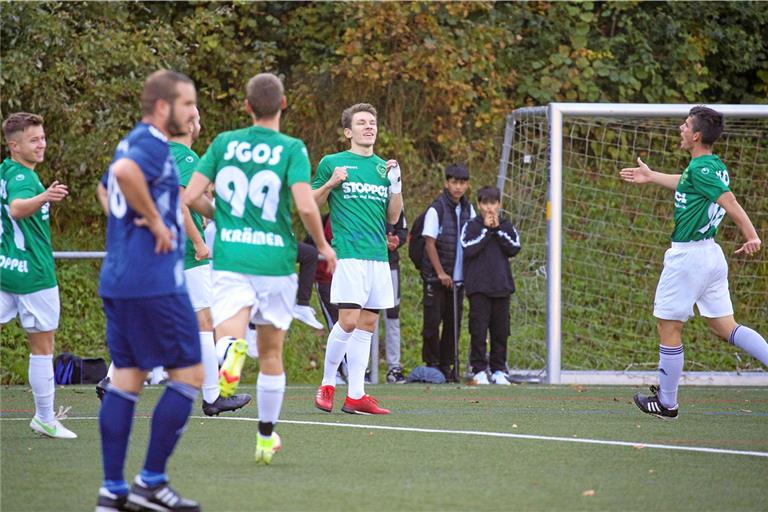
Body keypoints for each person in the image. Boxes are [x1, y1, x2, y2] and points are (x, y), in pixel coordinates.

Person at [184, 72, 336, 463]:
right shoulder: (292, 148)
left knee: (230, 332)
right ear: (283, 104)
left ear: (247, 106)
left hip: (233, 257)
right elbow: (304, 205)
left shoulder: (223, 143)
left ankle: (231, 353)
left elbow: (190, 196)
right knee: (271, 354)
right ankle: (265, 437)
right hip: (276, 261)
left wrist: (222, 216)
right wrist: (321, 246)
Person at [96, 70, 202, 512]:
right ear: (164, 107)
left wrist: (131, 223)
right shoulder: (152, 144)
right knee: (191, 374)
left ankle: (113, 491)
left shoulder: (130, 139)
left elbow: (104, 189)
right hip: (153, 282)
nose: (193, 113)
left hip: (120, 278)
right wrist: (156, 223)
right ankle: (151, 482)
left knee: (127, 376)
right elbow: (121, 174)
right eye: (188, 104)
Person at [620, 105, 766, 420]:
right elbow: (688, 182)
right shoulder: (709, 165)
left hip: (689, 258)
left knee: (668, 326)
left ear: (697, 135)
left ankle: (667, 402)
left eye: (686, 125)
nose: (681, 129)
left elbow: (729, 201)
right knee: (726, 326)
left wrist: (752, 235)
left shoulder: (701, 170)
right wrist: (652, 176)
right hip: (710, 255)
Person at [312, 102, 404, 414]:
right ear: (349, 131)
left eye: (372, 122)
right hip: (349, 253)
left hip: (378, 255)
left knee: (367, 323)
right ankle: (327, 383)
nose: (369, 127)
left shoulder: (383, 168)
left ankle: (356, 395)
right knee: (348, 321)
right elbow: (310, 202)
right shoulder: (333, 162)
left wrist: (396, 185)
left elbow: (393, 217)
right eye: (362, 123)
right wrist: (330, 183)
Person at [170, 107, 252, 416]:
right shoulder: (187, 158)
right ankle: (213, 396)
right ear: (190, 126)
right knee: (204, 323)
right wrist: (198, 242)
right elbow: (181, 204)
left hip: (155, 248)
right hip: (184, 252)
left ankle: (112, 380)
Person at [0, 112, 75, 440]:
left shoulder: (6, 169)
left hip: (5, 269)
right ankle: (45, 418)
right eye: (34, 139)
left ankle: (45, 417)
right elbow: (16, 208)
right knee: (43, 347)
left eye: (42, 137)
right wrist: (44, 196)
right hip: (34, 275)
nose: (41, 143)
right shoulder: (24, 179)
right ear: (14, 146)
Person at [460, 186, 521, 385]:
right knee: (478, 330)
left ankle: (498, 369)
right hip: (478, 288)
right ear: (479, 205)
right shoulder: (471, 226)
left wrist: (496, 230)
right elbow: (468, 249)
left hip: (501, 287)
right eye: (485, 203)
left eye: (493, 203)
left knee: (501, 331)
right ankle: (478, 369)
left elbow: (514, 248)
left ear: (499, 204)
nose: (489, 208)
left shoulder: (506, 226)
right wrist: (486, 230)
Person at [420, 164, 475, 382]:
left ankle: (447, 365)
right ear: (446, 183)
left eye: (462, 183)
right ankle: (432, 365)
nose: (458, 187)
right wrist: (441, 273)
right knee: (432, 324)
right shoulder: (437, 209)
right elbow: (429, 243)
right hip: (437, 279)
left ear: (467, 185)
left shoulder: (469, 210)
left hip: (458, 280)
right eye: (454, 182)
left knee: (453, 326)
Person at [382, 209, 407, 383]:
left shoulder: (394, 200)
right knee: (365, 315)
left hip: (391, 264)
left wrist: (396, 241)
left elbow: (403, 230)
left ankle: (394, 367)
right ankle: (362, 368)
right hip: (368, 261)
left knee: (392, 315)